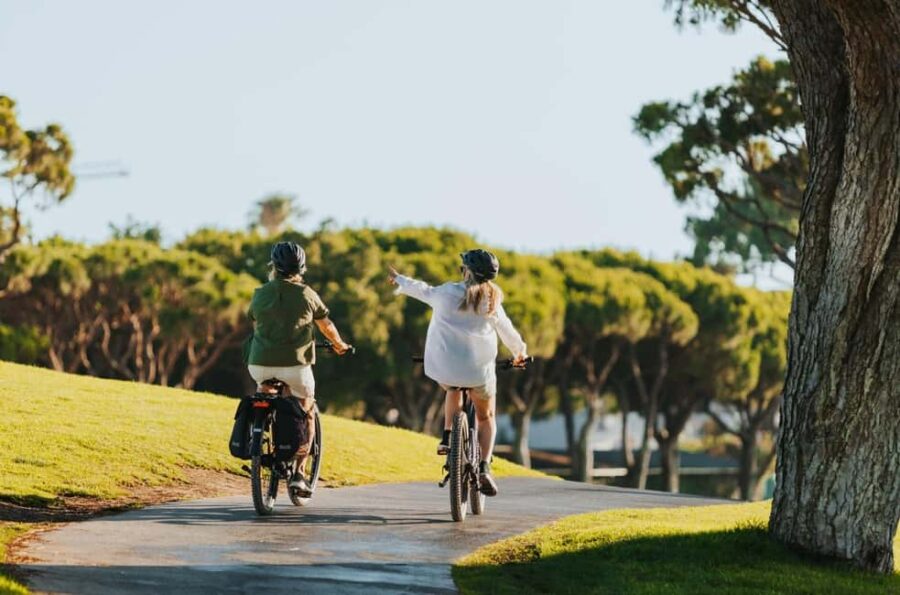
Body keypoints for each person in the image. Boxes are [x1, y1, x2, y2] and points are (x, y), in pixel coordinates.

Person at [388, 249, 527, 496]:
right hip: (479, 372)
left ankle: (447, 437)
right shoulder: (493, 300)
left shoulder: (446, 293)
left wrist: (399, 279)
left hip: (446, 368)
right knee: (486, 417)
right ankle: (484, 467)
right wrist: (520, 353)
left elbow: (422, 290)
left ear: (467, 272)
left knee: (453, 387)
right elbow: (507, 331)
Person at [247, 241, 352, 496]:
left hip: (259, 364)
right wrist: (340, 345)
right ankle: (299, 474)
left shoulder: (259, 293)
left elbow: (256, 322)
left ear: (273, 267)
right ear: (301, 269)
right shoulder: (307, 294)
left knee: (264, 392)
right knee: (307, 407)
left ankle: (259, 443)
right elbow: (326, 325)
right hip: (295, 367)